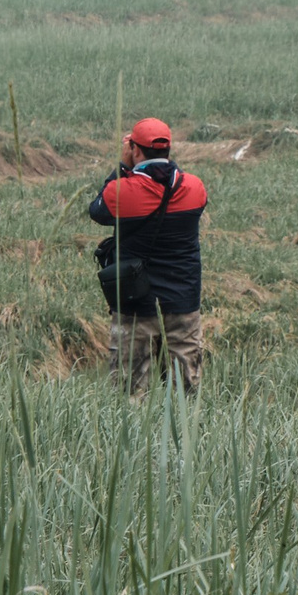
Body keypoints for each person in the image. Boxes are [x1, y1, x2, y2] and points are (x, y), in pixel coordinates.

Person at [88, 117, 209, 396]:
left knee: (129, 397)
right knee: (184, 397)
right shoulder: (195, 188)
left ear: (135, 150)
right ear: (168, 150)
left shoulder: (122, 190)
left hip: (135, 303)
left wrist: (122, 166)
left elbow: (97, 211)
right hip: (183, 303)